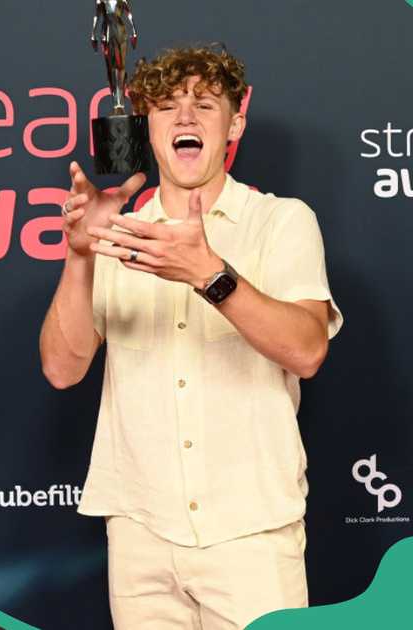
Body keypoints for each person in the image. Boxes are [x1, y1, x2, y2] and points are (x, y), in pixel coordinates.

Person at [39, 45, 343, 629]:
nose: (185, 118)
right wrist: (79, 257)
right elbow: (62, 368)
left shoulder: (282, 221)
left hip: (251, 534)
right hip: (139, 533)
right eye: (168, 107)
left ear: (236, 122)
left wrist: (208, 273)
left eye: (205, 104)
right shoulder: (117, 232)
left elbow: (307, 351)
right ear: (145, 126)